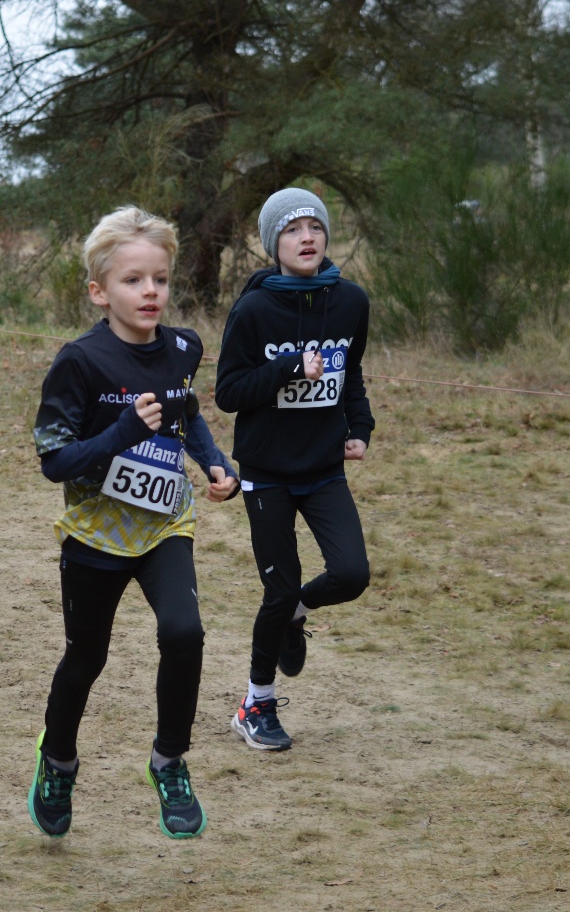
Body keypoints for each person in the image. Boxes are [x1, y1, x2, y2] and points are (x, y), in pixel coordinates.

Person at [28, 205, 239, 840]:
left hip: (164, 525)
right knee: (85, 658)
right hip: (96, 534)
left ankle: (169, 762)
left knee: (185, 631)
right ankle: (58, 760)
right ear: (99, 291)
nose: (150, 292)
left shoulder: (182, 347)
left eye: (161, 279)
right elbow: (55, 461)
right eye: (132, 280)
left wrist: (211, 461)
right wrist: (121, 431)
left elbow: (185, 410)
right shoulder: (80, 363)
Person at [215, 187, 374, 752]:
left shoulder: (351, 302)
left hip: (324, 466)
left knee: (352, 573)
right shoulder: (255, 309)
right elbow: (229, 393)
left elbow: (350, 373)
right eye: (291, 230)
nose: (306, 237)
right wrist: (286, 369)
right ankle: (254, 703)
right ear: (273, 245)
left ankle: (296, 614)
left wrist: (360, 427)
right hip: (267, 473)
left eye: (314, 227)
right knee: (276, 590)